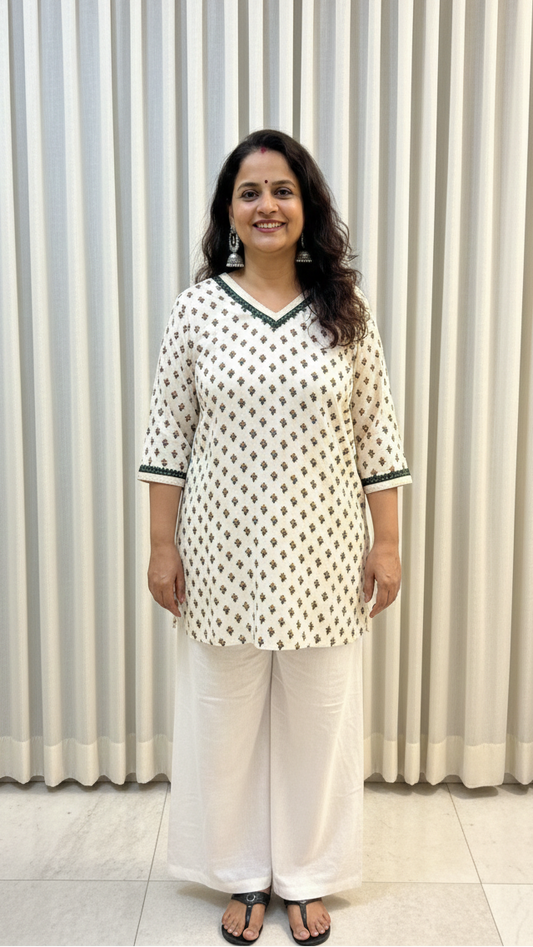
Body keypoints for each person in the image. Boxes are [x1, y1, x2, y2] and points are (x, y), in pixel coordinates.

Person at [138, 129, 411, 945]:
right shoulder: (197, 309)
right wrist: (161, 544)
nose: (267, 204)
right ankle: (239, 873)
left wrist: (387, 541)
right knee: (223, 717)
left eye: (282, 190)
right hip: (220, 554)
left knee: (317, 719)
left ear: (306, 207)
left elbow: (377, 435)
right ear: (230, 210)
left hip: (324, 554)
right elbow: (165, 437)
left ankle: (307, 875)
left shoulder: (343, 311)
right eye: (250, 191)